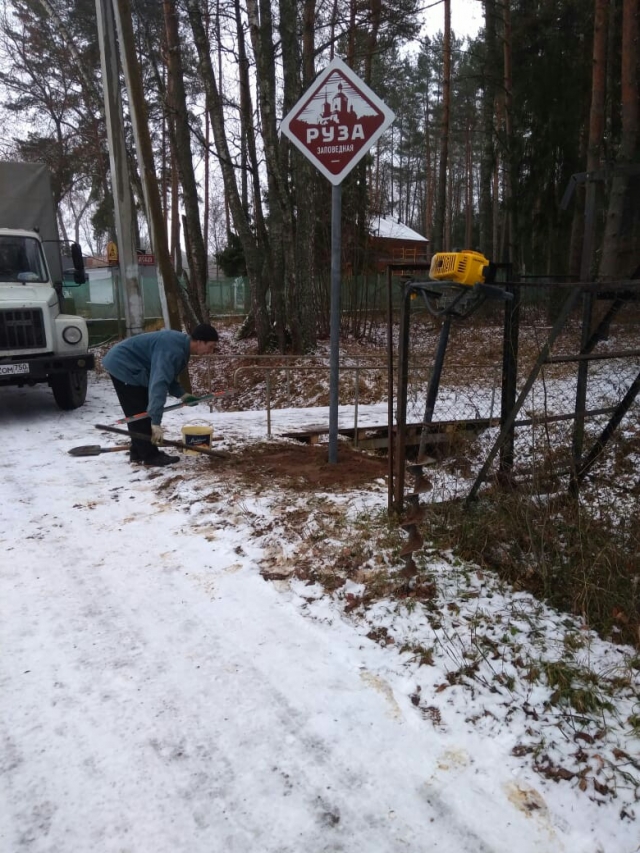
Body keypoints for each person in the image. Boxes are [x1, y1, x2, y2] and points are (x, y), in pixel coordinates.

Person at [102, 324, 219, 467]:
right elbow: (160, 383)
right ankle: (150, 456)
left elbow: (167, 375)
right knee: (139, 411)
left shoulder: (181, 348)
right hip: (123, 365)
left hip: (134, 365)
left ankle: (138, 451)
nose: (211, 351)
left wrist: (182, 395)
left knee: (141, 411)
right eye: (211, 346)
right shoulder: (173, 350)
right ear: (200, 341)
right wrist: (156, 422)